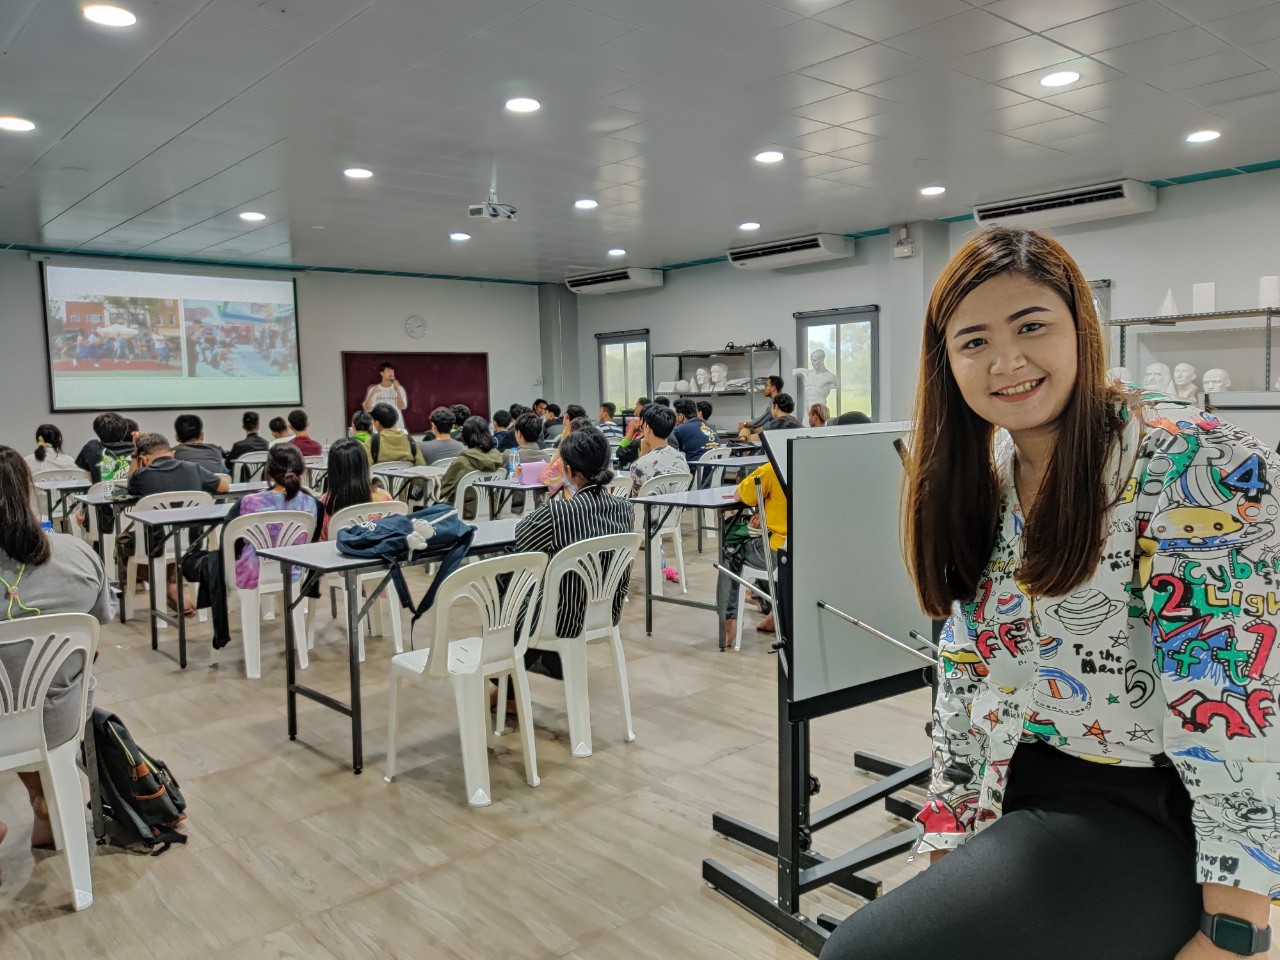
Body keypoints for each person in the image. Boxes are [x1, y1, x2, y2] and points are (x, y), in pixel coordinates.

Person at [822, 227, 1280, 960]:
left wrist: (1235, 931)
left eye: (1030, 326)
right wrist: (946, 835)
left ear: (1081, 328)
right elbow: (966, 676)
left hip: (1152, 809)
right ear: (946, 361)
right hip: (1017, 785)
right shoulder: (989, 475)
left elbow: (1237, 701)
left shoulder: (1196, 463)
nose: (1006, 361)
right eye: (974, 341)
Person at [0, 447, 114, 857]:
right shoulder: (77, 554)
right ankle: (47, 800)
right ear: (28, 490)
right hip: (61, 719)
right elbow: (95, 632)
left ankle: (39, 799)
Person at [501, 425, 635, 703]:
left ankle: (506, 690)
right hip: (606, 612)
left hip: (561, 619)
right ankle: (539, 670)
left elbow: (520, 541)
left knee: (506, 593)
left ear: (569, 470)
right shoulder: (625, 508)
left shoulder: (557, 512)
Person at [181, 444, 320, 650]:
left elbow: (229, 544)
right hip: (294, 573)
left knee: (202, 560)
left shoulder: (248, 503)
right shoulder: (312, 504)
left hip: (249, 574)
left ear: (268, 471)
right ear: (303, 471)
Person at [717, 419, 797, 647]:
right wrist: (765, 514)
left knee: (732, 549)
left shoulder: (771, 470)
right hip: (811, 547)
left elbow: (739, 495)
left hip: (781, 552)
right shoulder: (815, 467)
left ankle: (729, 621)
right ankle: (773, 612)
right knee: (762, 542)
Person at [318, 438, 393, 540]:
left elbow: (321, 542)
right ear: (364, 465)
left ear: (332, 470)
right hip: (377, 549)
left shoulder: (325, 504)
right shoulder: (385, 499)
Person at [438, 416, 503, 520]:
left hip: (464, 512)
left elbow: (445, 489)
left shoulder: (462, 461)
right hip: (492, 511)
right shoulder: (498, 458)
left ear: (466, 436)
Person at [628, 403, 689, 496]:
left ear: (648, 428)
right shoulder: (681, 458)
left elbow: (634, 498)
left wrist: (642, 455)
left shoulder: (638, 465)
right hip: (677, 505)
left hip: (647, 506)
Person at [74, 411, 136, 482]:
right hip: (131, 489)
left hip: (100, 489)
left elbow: (88, 479)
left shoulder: (91, 448)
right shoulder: (137, 448)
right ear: (125, 430)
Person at [362, 361, 407, 430]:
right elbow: (367, 409)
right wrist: (371, 395)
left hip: (397, 428)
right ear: (381, 373)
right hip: (379, 428)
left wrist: (397, 390)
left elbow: (402, 407)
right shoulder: (374, 389)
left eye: (392, 371)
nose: (391, 373)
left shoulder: (399, 388)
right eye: (388, 371)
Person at [671, 398, 718, 463]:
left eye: (677, 415)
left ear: (681, 416)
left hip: (695, 467)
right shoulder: (711, 426)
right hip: (716, 467)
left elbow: (669, 450)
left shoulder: (680, 429)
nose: (676, 419)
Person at [738, 375, 784, 439]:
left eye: (766, 386)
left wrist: (745, 424)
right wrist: (746, 424)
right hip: (768, 427)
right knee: (747, 426)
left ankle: (742, 441)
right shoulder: (779, 398)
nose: (764, 389)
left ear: (773, 388)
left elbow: (761, 421)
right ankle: (742, 440)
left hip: (771, 433)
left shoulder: (775, 403)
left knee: (747, 434)